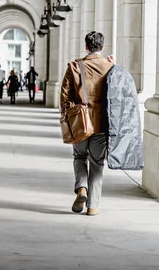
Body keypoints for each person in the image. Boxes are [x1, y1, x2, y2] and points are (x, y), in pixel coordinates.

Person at [60, 31, 115, 216]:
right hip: (101, 124)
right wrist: (113, 65)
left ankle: (81, 188)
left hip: (80, 123)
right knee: (97, 163)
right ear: (102, 46)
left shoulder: (75, 67)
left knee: (79, 157)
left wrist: (68, 116)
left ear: (86, 46)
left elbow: (65, 97)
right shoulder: (110, 68)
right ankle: (93, 206)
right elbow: (118, 94)